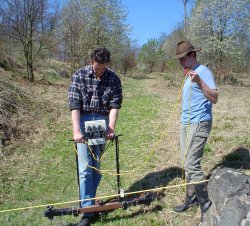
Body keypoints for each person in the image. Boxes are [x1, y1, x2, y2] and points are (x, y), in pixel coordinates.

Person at [68, 47, 123, 226]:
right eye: (97, 67)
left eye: (103, 68)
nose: (100, 71)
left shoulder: (113, 78)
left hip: (101, 121)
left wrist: (111, 127)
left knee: (96, 167)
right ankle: (87, 211)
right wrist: (77, 131)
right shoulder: (79, 75)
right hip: (83, 120)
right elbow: (74, 105)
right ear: (91, 61)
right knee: (85, 168)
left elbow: (115, 105)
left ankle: (90, 201)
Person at [173, 41, 218, 225]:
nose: (180, 62)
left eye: (182, 59)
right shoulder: (187, 73)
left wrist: (199, 81)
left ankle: (205, 204)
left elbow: (214, 98)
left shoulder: (204, 72)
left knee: (192, 163)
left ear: (192, 55)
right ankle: (190, 198)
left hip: (200, 122)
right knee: (186, 163)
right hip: (186, 123)